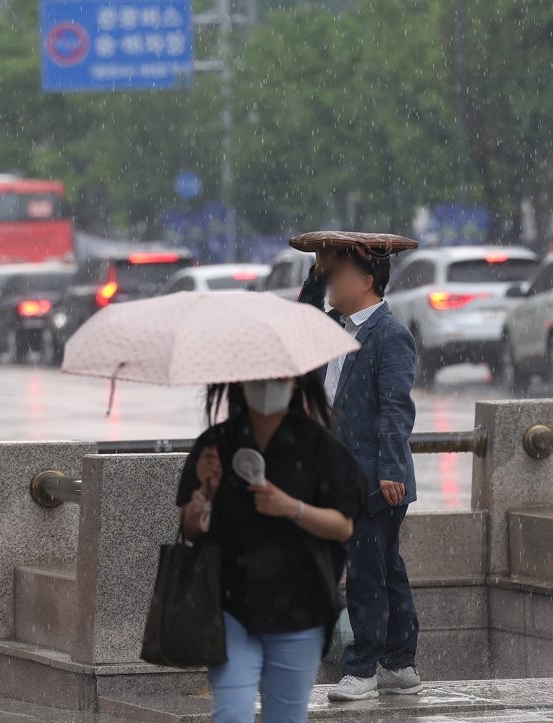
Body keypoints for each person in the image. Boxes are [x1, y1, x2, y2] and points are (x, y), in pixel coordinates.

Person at [177, 371, 367, 722]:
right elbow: (190, 528)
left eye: (278, 378)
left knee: (286, 716)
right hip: (230, 606)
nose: (267, 386)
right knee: (231, 715)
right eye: (259, 377)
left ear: (295, 383)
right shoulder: (218, 443)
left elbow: (342, 526)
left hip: (301, 609)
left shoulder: (318, 445)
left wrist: (291, 508)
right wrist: (206, 489)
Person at [298, 245, 422, 701]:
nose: (331, 282)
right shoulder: (333, 328)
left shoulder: (389, 335)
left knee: (368, 573)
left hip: (374, 478)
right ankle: (400, 663)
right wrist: (317, 272)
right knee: (386, 569)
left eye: (338, 273)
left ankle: (363, 667)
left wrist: (390, 469)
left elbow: (395, 408)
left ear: (366, 279)